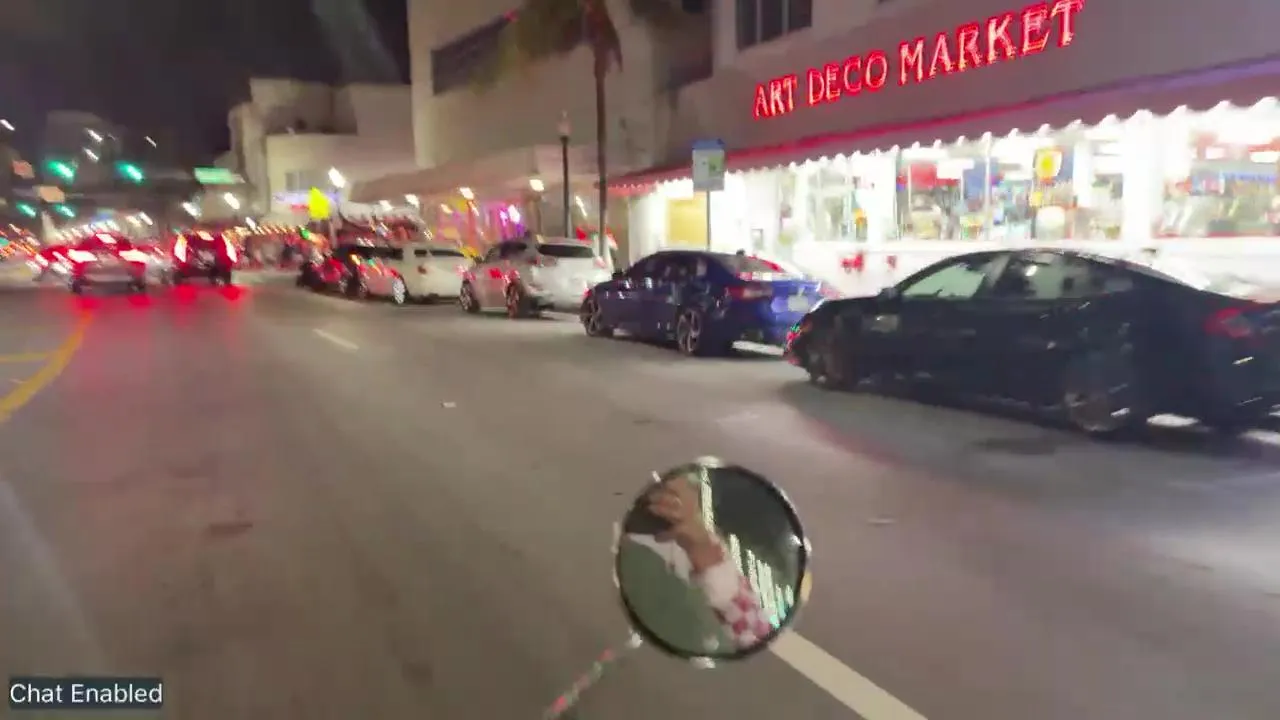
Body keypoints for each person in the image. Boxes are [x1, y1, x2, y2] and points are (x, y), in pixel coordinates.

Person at [616, 474, 774, 656]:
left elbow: (754, 635)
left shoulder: (702, 552)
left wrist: (708, 559)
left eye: (691, 481)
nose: (668, 498)